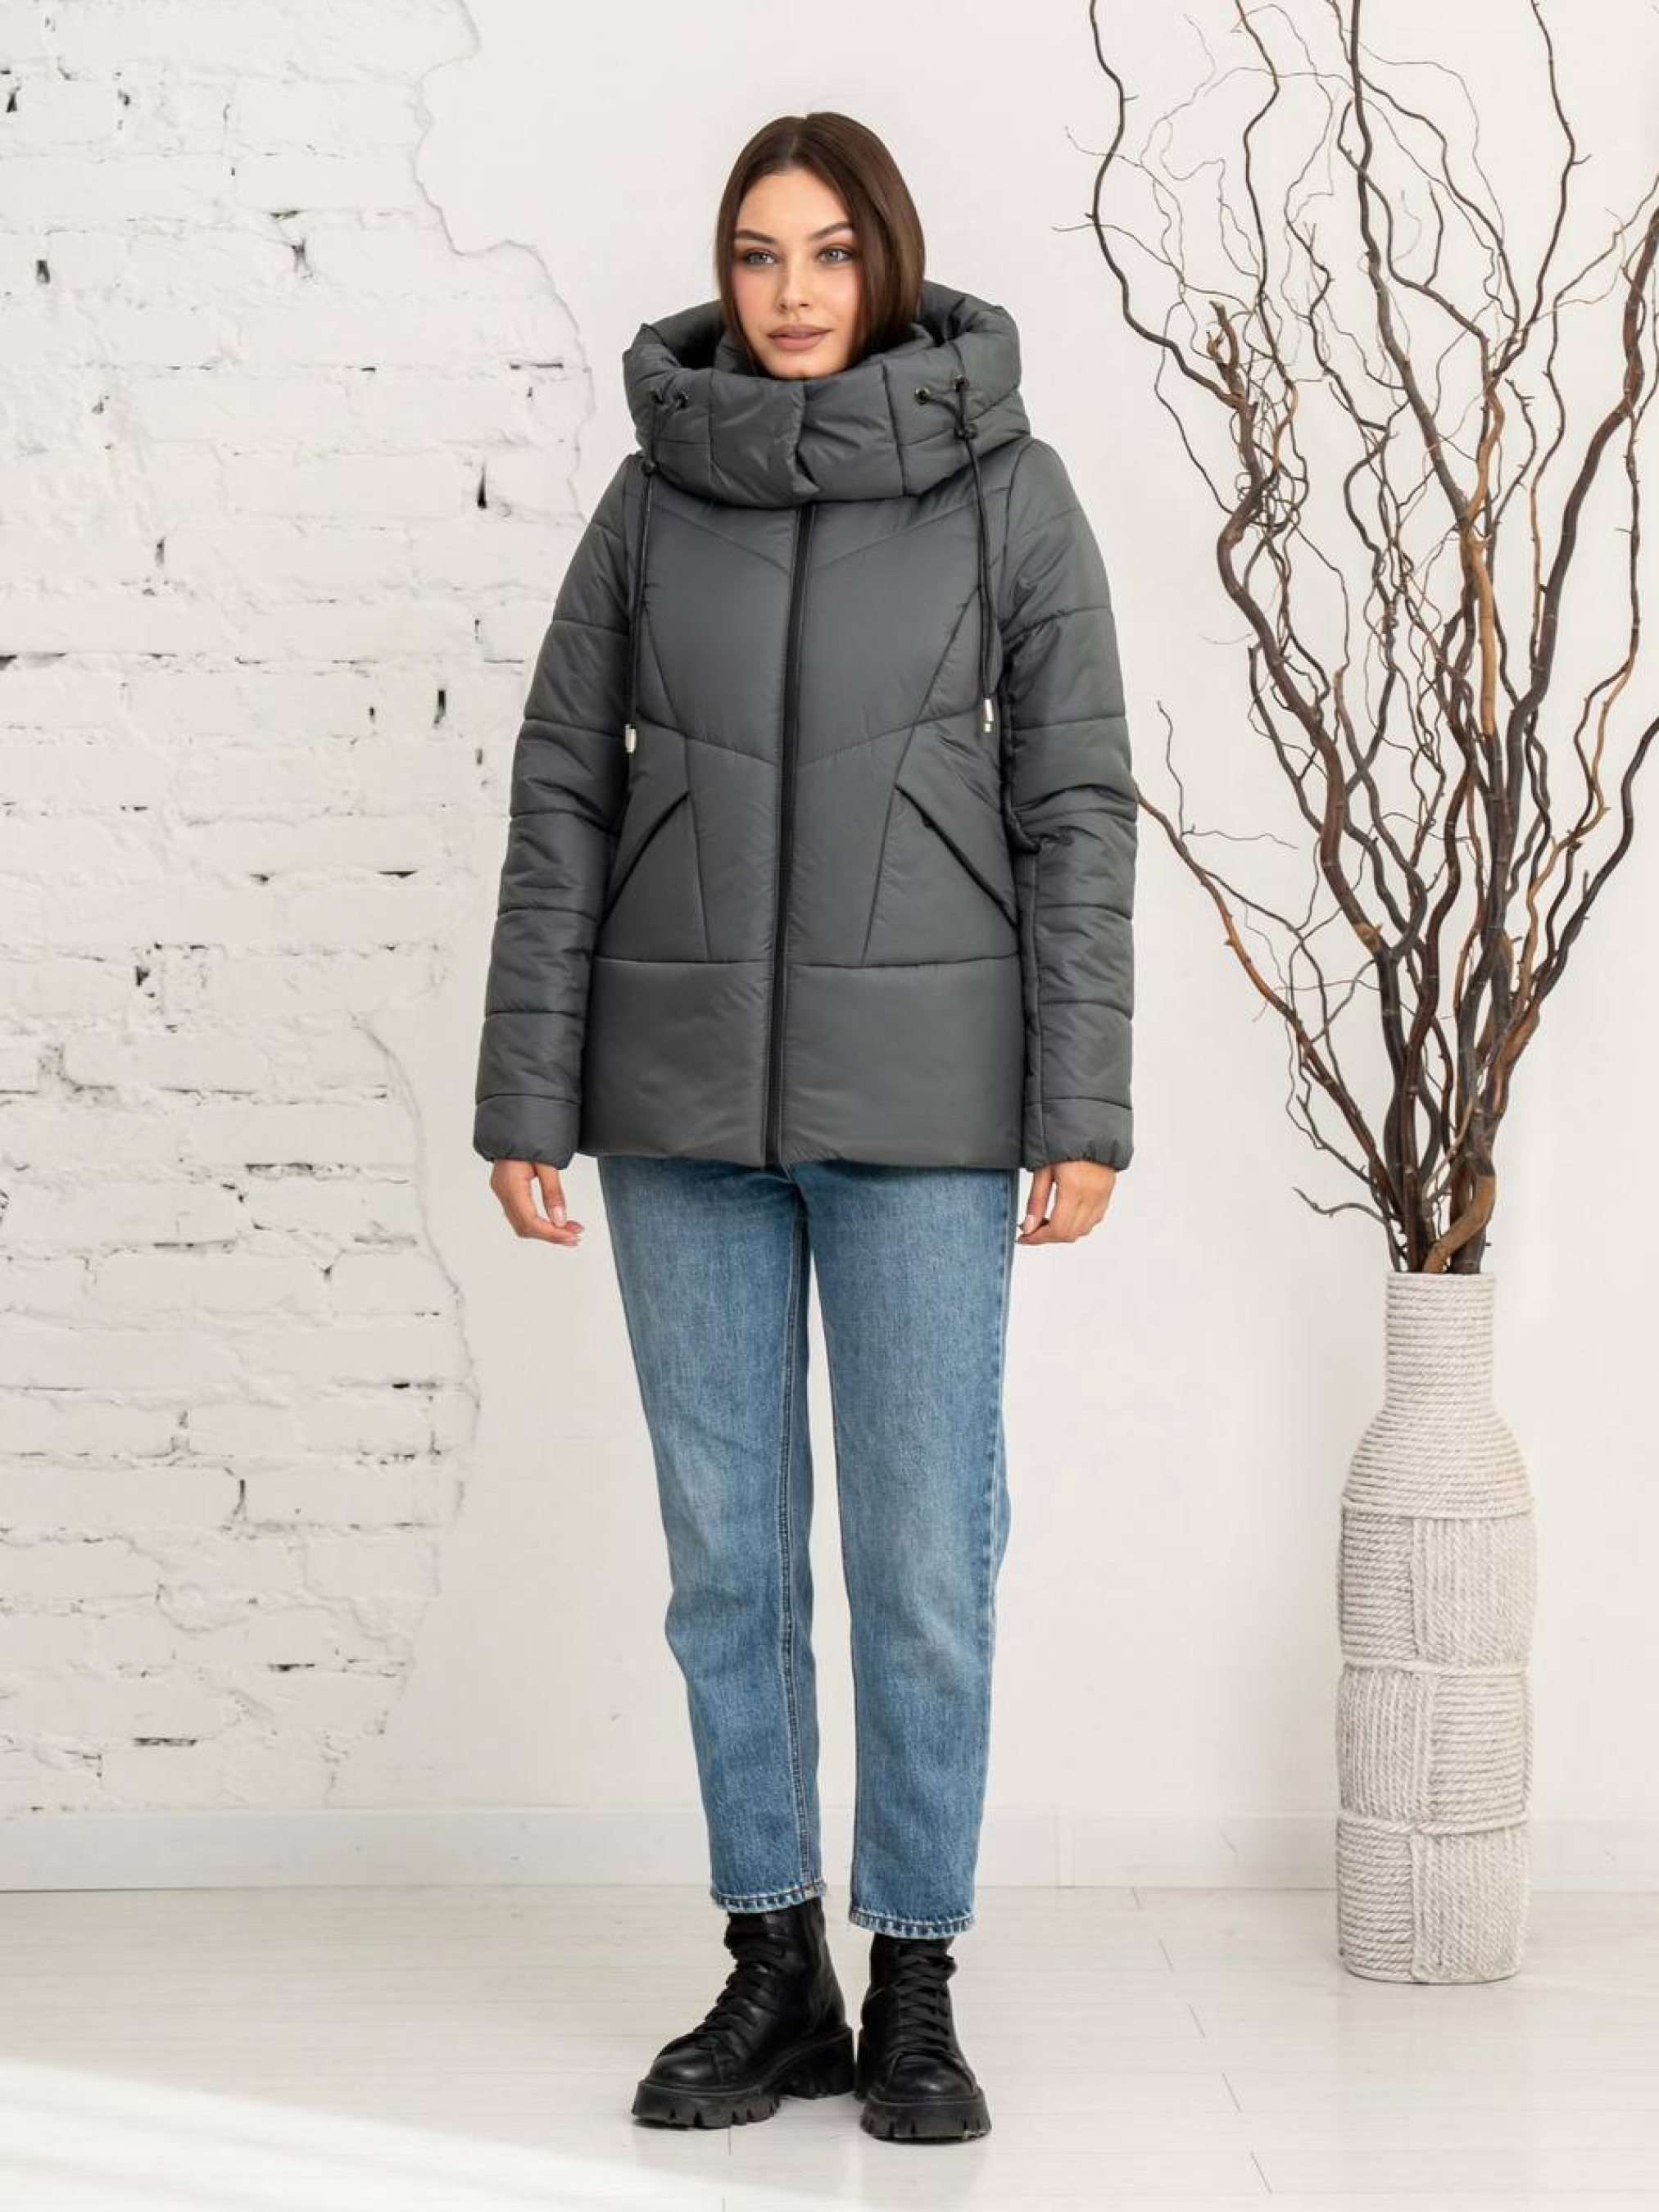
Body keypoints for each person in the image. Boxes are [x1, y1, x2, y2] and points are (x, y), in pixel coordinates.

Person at [474, 110, 1136, 2146]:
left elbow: (1075, 811)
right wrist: (523, 1093)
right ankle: (774, 1973)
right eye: (756, 254)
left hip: (927, 1109)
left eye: (828, 252)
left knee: (925, 1556)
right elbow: (564, 793)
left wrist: (1080, 1106)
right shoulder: (647, 499)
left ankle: (913, 1975)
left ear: (888, 264)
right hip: (674, 1104)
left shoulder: (1008, 491)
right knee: (726, 1566)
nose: (787, 292)